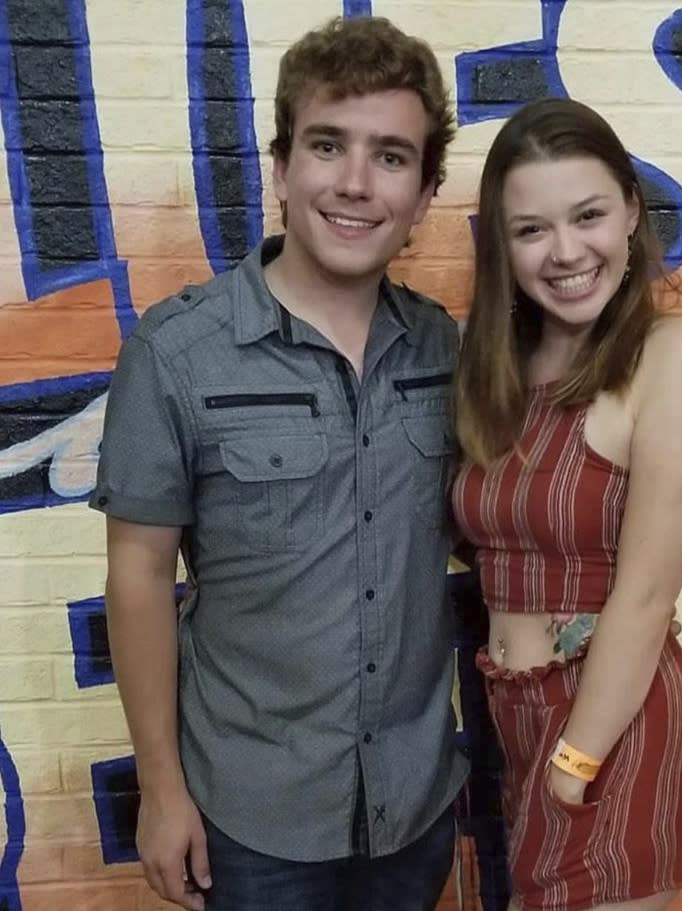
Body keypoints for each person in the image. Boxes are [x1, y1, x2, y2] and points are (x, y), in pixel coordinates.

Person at [90, 16, 468, 911]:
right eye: (327, 145)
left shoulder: (443, 349)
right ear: (282, 165)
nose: (353, 183)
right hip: (251, 820)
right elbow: (137, 575)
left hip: (416, 807)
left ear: (423, 193)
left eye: (390, 156)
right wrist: (163, 788)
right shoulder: (177, 352)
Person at [451, 97, 682, 911]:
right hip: (517, 719)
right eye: (531, 229)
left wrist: (573, 761)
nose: (565, 251)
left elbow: (643, 598)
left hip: (615, 731)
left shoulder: (673, 354)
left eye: (589, 215)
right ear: (501, 245)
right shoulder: (499, 371)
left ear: (631, 212)